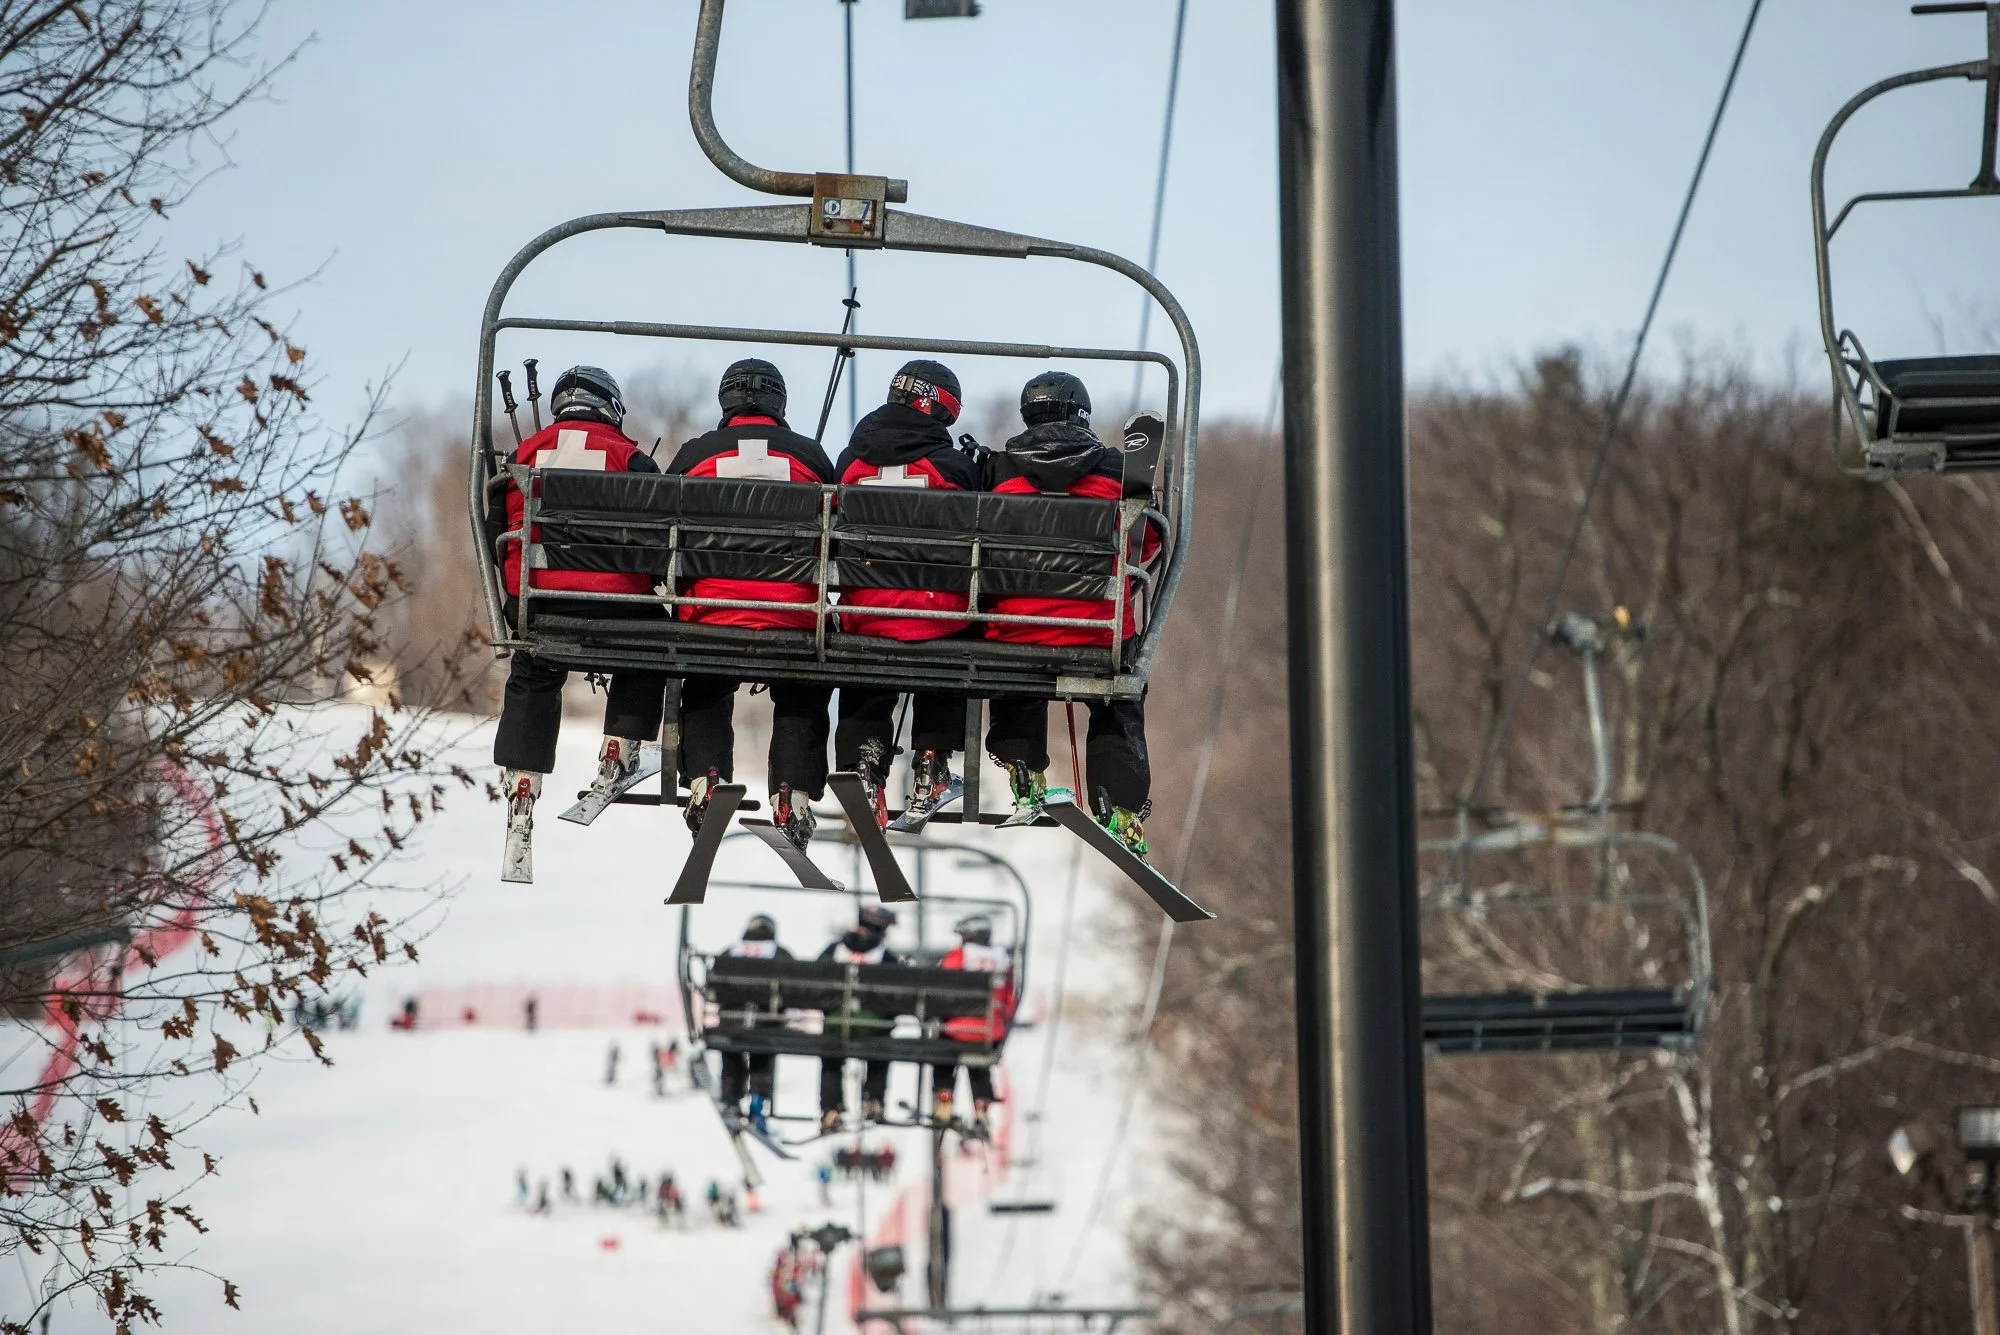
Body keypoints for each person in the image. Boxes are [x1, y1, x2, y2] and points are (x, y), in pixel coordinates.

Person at [494, 365, 668, 881]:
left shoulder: (522, 456)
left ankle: (522, 784)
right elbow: (661, 536)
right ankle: (620, 746)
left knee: (534, 667)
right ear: (609, 406)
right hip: (617, 603)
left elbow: (494, 524)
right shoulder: (628, 458)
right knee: (652, 640)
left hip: (541, 602)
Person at [982, 372, 1163, 855]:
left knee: (1016, 674)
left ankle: (1025, 776)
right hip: (1097, 630)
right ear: (1081, 413)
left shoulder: (998, 471)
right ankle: (1118, 806)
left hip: (1016, 628)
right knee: (1117, 699)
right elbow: (1146, 541)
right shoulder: (1115, 471)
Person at [663, 359, 838, 850]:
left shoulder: (696, 455)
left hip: (711, 614)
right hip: (793, 615)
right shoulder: (810, 457)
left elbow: (661, 530)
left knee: (704, 681)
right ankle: (793, 792)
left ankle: (706, 779)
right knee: (803, 685)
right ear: (780, 402)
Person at [831, 361, 982, 826]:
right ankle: (931, 767)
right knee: (950, 650)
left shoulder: (850, 462)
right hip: (938, 616)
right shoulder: (952, 467)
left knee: (867, 665)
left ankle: (863, 769)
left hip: (866, 610)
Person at [816, 904, 904, 1131]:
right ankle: (874, 1100)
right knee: (881, 1046)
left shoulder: (835, 950)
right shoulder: (885, 957)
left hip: (837, 1024)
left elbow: (814, 985)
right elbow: (899, 997)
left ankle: (831, 1107)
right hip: (873, 1028)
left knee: (831, 1057)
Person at [930, 914, 1015, 1138]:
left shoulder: (958, 957)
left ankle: (944, 1101)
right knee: (979, 1063)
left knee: (944, 1058)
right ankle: (980, 1108)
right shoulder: (1003, 961)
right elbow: (1009, 1000)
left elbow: (940, 991)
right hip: (988, 1032)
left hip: (956, 1030)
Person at [718, 913, 790, 1117]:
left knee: (731, 1052)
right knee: (762, 1051)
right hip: (766, 1023)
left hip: (732, 1022)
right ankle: (759, 1094)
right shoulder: (780, 953)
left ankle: (731, 1097)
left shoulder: (730, 952)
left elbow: (714, 986)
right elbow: (795, 990)